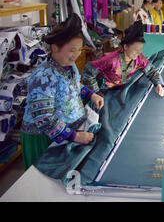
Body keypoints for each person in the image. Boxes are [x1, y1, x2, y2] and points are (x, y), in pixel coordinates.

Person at [21, 14, 104, 170]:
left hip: (64, 130)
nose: (77, 54)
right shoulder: (43, 77)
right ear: (55, 48)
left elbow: (74, 86)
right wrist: (75, 136)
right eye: (72, 50)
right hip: (44, 137)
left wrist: (91, 94)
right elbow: (44, 118)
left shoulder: (68, 66)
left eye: (79, 49)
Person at [82, 20, 164, 97]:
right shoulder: (112, 60)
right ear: (125, 46)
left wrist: (158, 84)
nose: (138, 53)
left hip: (118, 91)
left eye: (140, 50)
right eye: (135, 50)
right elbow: (88, 71)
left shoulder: (138, 58)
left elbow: (151, 70)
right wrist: (96, 92)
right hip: (104, 91)